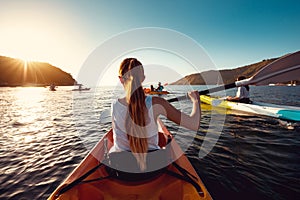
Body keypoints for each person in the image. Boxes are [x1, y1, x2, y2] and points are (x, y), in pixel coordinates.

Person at [110, 58, 201, 171]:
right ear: (143, 78)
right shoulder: (157, 103)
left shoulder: (114, 105)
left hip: (121, 168)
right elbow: (193, 124)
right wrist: (196, 101)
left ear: (120, 79)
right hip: (153, 168)